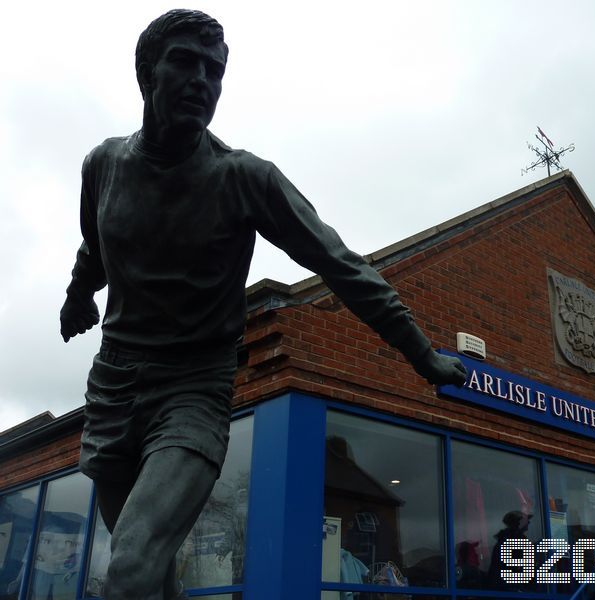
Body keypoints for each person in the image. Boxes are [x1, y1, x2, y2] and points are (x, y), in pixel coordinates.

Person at [58, 9, 467, 600]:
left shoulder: (244, 178)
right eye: (185, 63)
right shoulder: (102, 166)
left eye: (214, 71)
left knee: (128, 567)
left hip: (192, 388)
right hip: (114, 386)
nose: (202, 81)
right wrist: (77, 296)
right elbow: (96, 244)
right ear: (147, 73)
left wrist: (421, 354)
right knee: (151, 574)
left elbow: (341, 266)